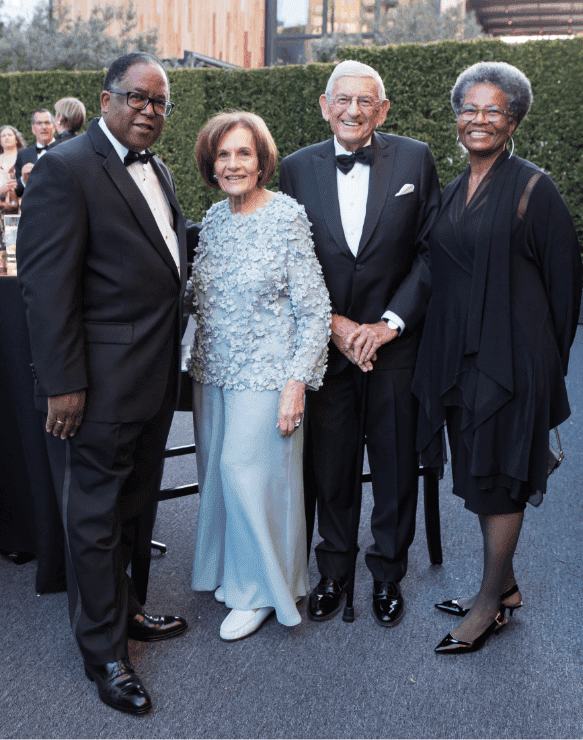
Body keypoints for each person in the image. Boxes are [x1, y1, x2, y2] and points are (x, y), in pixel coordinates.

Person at [17, 52, 200, 713]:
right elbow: (47, 290)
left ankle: (126, 612)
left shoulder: (163, 170)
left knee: (132, 509)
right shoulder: (64, 169)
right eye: (138, 97)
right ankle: (103, 653)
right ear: (105, 99)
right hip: (93, 388)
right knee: (94, 519)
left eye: (160, 102)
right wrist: (64, 384)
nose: (150, 110)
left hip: (151, 380)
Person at [412, 61, 582, 654]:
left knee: (504, 478)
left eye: (493, 110)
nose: (478, 120)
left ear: (513, 120)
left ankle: (488, 604)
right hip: (459, 357)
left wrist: (542, 375)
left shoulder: (535, 189)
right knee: (479, 475)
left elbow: (565, 290)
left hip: (514, 365)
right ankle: (503, 586)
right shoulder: (455, 188)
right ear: (456, 117)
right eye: (469, 108)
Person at [279, 60, 441, 627]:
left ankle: (389, 573)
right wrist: (337, 325)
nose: (353, 111)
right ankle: (333, 570)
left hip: (395, 344)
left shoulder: (415, 159)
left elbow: (429, 252)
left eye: (365, 101)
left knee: (396, 464)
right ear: (325, 105)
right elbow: (292, 261)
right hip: (328, 342)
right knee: (332, 463)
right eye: (342, 100)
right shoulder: (295, 169)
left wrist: (388, 323)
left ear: (383, 109)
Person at [189, 111, 331, 641]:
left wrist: (296, 382)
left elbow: (314, 309)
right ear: (211, 164)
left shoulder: (286, 217)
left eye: (243, 153)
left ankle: (261, 594)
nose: (232, 164)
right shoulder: (216, 218)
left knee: (245, 473)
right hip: (214, 373)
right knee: (223, 477)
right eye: (222, 155)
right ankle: (242, 575)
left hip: (269, 374)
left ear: (262, 159)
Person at [14, 109, 57, 196]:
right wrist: (24, 180)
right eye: (39, 123)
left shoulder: (65, 149)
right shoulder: (23, 155)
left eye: (47, 122)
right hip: (34, 208)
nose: (43, 127)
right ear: (33, 128)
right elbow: (16, 192)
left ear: (54, 127)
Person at [0, 125, 25, 246]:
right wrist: (1, 190)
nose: (6, 138)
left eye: (9, 135)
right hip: (1, 209)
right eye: (3, 135)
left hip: (22, 207)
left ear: (16, 139)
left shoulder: (25, 157)